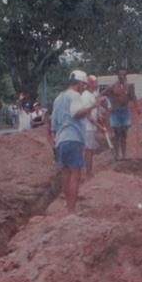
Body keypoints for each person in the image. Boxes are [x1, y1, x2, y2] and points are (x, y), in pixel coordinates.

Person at [47, 70, 98, 213]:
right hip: (73, 138)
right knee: (75, 174)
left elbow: (54, 124)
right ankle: (71, 210)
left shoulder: (58, 98)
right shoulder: (75, 96)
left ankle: (68, 207)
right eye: (84, 85)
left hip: (61, 140)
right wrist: (94, 106)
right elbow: (76, 113)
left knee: (66, 174)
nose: (84, 88)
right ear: (80, 83)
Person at [104, 69, 138, 161]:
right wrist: (108, 105)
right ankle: (116, 155)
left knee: (124, 134)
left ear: (126, 76)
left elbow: (133, 97)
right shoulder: (112, 87)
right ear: (117, 76)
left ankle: (123, 155)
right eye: (120, 75)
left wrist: (137, 108)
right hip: (116, 111)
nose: (122, 76)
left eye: (124, 75)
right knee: (116, 134)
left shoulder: (129, 87)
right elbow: (103, 95)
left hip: (125, 111)